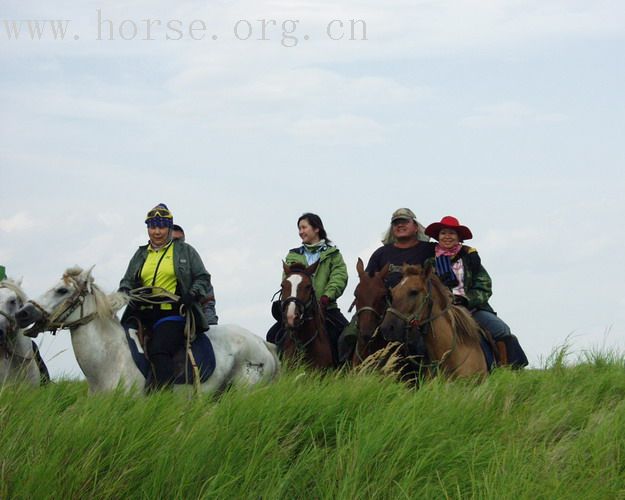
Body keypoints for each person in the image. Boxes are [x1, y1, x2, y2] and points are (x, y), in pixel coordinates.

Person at [119, 203, 214, 389]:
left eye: (161, 226)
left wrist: (192, 294)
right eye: (152, 227)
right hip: (141, 313)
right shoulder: (140, 254)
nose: (157, 232)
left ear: (169, 228)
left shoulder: (185, 251)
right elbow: (127, 281)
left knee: (159, 350)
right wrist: (122, 293)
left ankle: (164, 399)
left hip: (171, 314)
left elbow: (203, 277)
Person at [424, 215, 528, 367]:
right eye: (444, 233)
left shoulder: (470, 258)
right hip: (440, 311)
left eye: (452, 233)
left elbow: (484, 285)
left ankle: (507, 369)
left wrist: (467, 299)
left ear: (458, 237)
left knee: (502, 330)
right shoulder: (430, 262)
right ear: (438, 236)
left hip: (471, 308)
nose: (447, 236)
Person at [266, 213, 349, 364]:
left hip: (326, 307)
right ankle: (277, 372)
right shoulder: (293, 255)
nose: (301, 232)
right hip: (297, 307)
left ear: (316, 228)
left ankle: (345, 373)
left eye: (304, 227)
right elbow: (286, 281)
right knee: (272, 335)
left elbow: (339, 277)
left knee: (347, 336)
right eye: (299, 228)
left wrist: (327, 296)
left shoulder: (333, 254)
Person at [365, 208, 435, 287]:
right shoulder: (380, 254)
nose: (400, 225)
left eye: (405, 222)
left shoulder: (430, 249)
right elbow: (368, 282)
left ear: (416, 227)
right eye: (396, 223)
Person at [171, 224, 218, 325]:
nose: (177, 244)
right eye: (173, 240)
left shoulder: (191, 261)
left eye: (180, 240)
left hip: (191, 316)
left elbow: (207, 296)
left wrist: (210, 324)